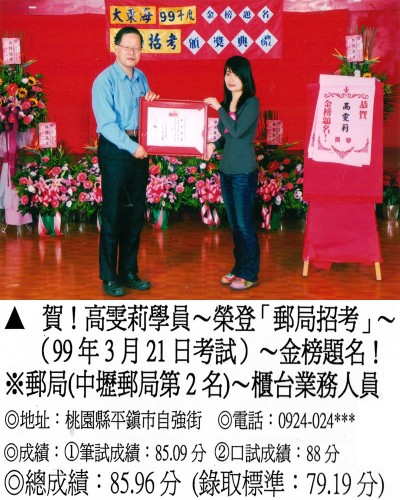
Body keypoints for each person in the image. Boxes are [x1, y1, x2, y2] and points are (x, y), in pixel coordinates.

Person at [92, 27, 159, 297]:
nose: (132, 52)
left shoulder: (141, 77)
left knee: (134, 213)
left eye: (137, 47)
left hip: (139, 149)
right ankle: (109, 277)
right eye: (127, 46)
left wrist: (152, 101)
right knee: (114, 214)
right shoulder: (104, 80)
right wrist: (133, 147)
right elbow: (107, 125)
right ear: (116, 47)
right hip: (117, 150)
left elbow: (146, 113)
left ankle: (129, 272)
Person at [204, 56, 260, 290]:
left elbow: (236, 131)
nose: (231, 78)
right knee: (235, 224)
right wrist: (212, 145)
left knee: (244, 225)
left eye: (235, 74)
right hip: (226, 171)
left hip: (243, 173)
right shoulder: (227, 104)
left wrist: (218, 108)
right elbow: (226, 138)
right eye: (227, 73)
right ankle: (238, 268)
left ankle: (250, 274)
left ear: (245, 76)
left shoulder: (251, 103)